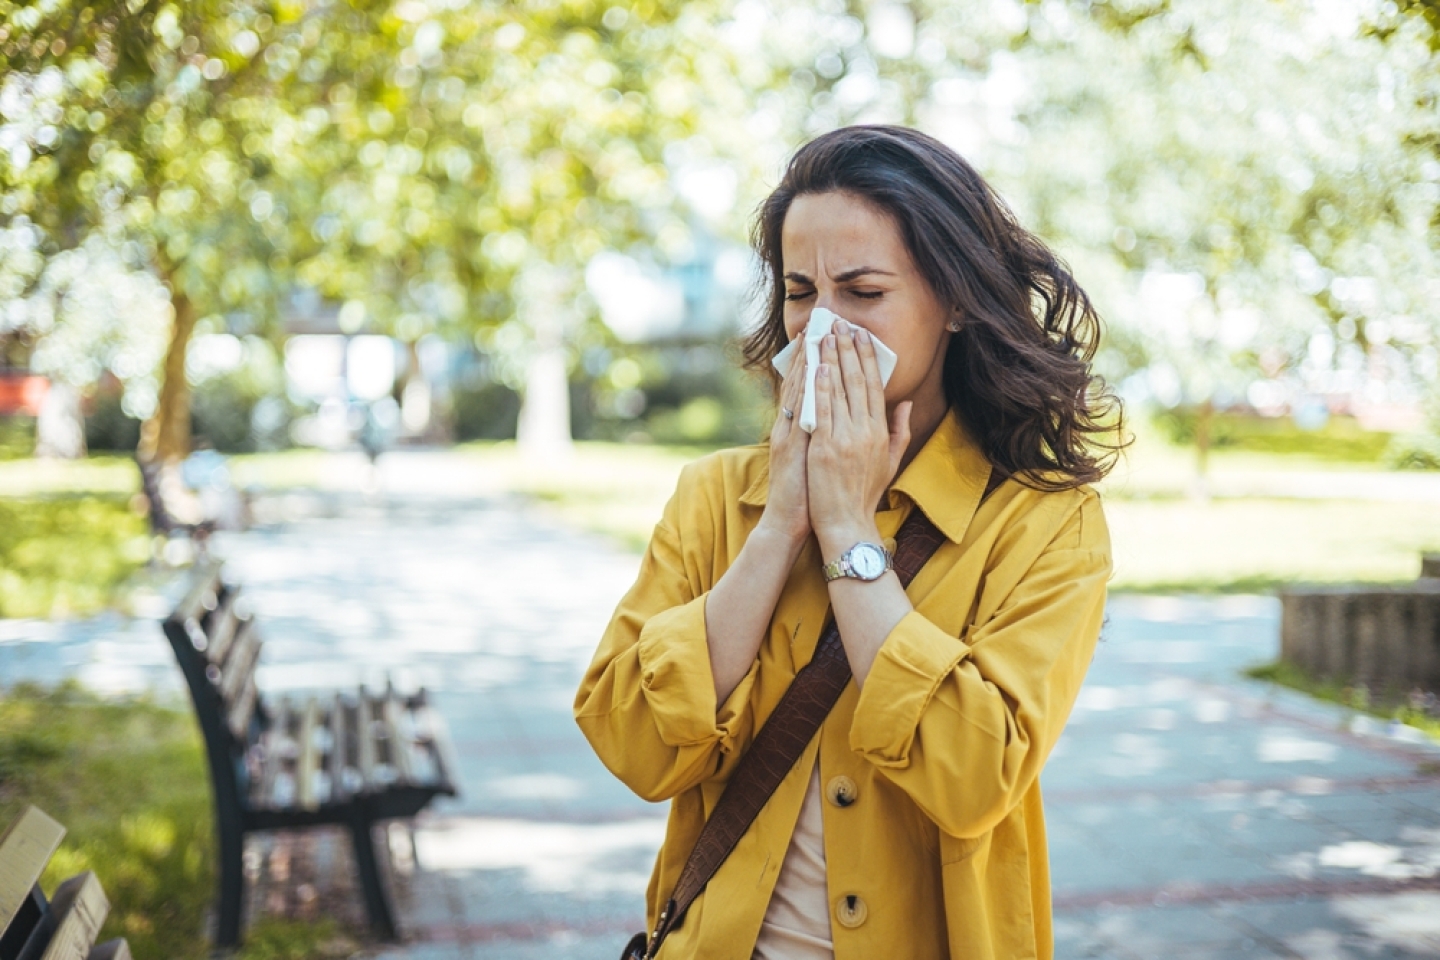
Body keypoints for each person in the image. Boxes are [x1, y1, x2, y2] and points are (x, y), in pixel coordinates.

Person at [575, 125, 1123, 960]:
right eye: (801, 292)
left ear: (955, 303)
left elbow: (975, 778)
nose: (822, 328)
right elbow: (633, 743)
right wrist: (782, 524)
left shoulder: (1044, 524)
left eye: (863, 292)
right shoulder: (717, 497)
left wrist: (846, 528)